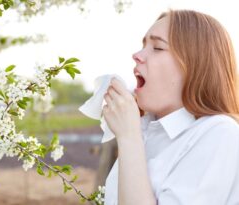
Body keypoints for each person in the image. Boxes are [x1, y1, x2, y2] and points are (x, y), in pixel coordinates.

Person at [102, 9, 239, 205]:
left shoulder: (220, 133)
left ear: (195, 64)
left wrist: (129, 137)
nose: (137, 55)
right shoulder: (145, 130)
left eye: (157, 48)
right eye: (143, 45)